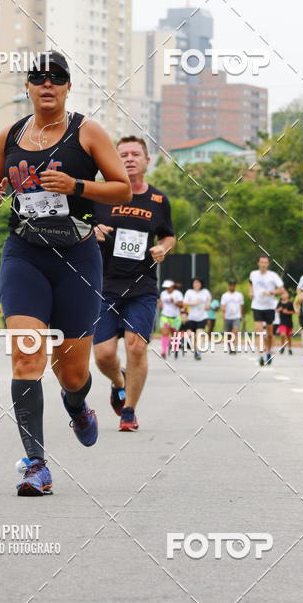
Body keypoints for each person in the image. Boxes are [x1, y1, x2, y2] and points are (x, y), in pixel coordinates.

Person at [0, 50, 131, 495]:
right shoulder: (9, 135)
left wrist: (76, 186)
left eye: (56, 79)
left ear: (67, 87)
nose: (47, 85)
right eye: (38, 78)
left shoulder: (87, 131)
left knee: (71, 373)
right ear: (27, 88)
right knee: (27, 356)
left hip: (78, 258)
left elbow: (120, 185)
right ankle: (36, 465)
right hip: (24, 254)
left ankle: (78, 406)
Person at [92, 136, 176, 429]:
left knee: (136, 347)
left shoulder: (158, 200)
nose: (129, 158)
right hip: (103, 285)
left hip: (141, 286)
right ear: (114, 159)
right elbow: (77, 224)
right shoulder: (100, 194)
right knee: (103, 355)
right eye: (123, 154)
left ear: (147, 161)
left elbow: (168, 235)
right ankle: (118, 380)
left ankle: (129, 411)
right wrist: (93, 230)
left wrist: (162, 249)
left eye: (135, 154)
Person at [249, 255, 284, 367]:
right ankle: (261, 355)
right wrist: (250, 292)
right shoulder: (253, 274)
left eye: (265, 262)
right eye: (262, 262)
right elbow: (250, 283)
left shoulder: (273, 276)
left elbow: (281, 289)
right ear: (258, 263)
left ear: (268, 264)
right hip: (257, 306)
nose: (263, 264)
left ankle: (269, 351)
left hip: (269, 307)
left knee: (269, 334)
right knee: (259, 331)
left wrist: (271, 293)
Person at [183, 278, 212, 361]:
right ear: (192, 284)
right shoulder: (189, 292)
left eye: (198, 283)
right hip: (192, 317)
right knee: (193, 336)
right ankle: (195, 348)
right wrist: (193, 303)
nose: (196, 284)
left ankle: (198, 352)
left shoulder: (205, 292)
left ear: (201, 284)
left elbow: (209, 299)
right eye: (195, 283)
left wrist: (208, 305)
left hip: (202, 316)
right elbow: (184, 303)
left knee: (200, 333)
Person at [158, 279, 184, 358]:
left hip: (175, 317)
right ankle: (163, 351)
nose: (167, 289)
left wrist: (174, 302)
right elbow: (162, 304)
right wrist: (160, 304)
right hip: (165, 316)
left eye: (168, 287)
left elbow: (181, 305)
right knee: (165, 333)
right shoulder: (163, 293)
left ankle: (175, 349)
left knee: (175, 335)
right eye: (165, 287)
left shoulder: (178, 294)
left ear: (172, 287)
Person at [220, 279, 244, 354]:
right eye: (230, 285)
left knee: (235, 332)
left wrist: (241, 315)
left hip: (236, 316)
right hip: (227, 316)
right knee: (228, 334)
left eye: (233, 285)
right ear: (228, 286)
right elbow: (223, 306)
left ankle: (233, 347)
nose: (232, 287)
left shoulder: (239, 295)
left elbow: (241, 305)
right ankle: (230, 346)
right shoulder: (225, 295)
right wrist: (223, 314)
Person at [276, 290, 295, 355]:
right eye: (282, 294)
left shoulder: (290, 303)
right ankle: (282, 346)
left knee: (289, 336)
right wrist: (279, 309)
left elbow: (293, 311)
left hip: (289, 322)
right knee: (282, 334)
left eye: (285, 294)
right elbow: (277, 310)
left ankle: (289, 348)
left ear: (288, 295)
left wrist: (287, 312)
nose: (283, 295)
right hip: (282, 322)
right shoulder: (279, 303)